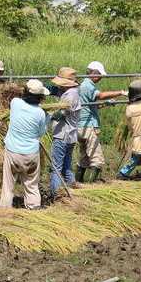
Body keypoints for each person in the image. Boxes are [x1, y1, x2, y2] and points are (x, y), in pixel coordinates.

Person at [0, 79, 50, 210]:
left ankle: (5, 211)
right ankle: (34, 207)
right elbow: (41, 133)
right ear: (40, 96)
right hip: (31, 154)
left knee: (8, 184)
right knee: (32, 184)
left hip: (12, 152)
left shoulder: (15, 103)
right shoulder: (40, 113)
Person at [76, 61, 127, 183]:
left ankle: (78, 183)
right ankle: (90, 186)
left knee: (84, 158)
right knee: (97, 160)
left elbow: (91, 106)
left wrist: (105, 104)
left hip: (80, 127)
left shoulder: (82, 85)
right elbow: (101, 95)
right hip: (89, 127)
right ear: (93, 73)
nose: (100, 78)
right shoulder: (88, 86)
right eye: (99, 75)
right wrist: (121, 92)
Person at [48, 66, 82, 195]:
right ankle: (73, 190)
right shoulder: (73, 92)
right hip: (71, 136)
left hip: (63, 135)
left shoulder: (69, 95)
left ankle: (55, 194)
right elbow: (56, 92)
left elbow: (60, 114)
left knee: (56, 167)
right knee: (66, 166)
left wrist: (45, 113)